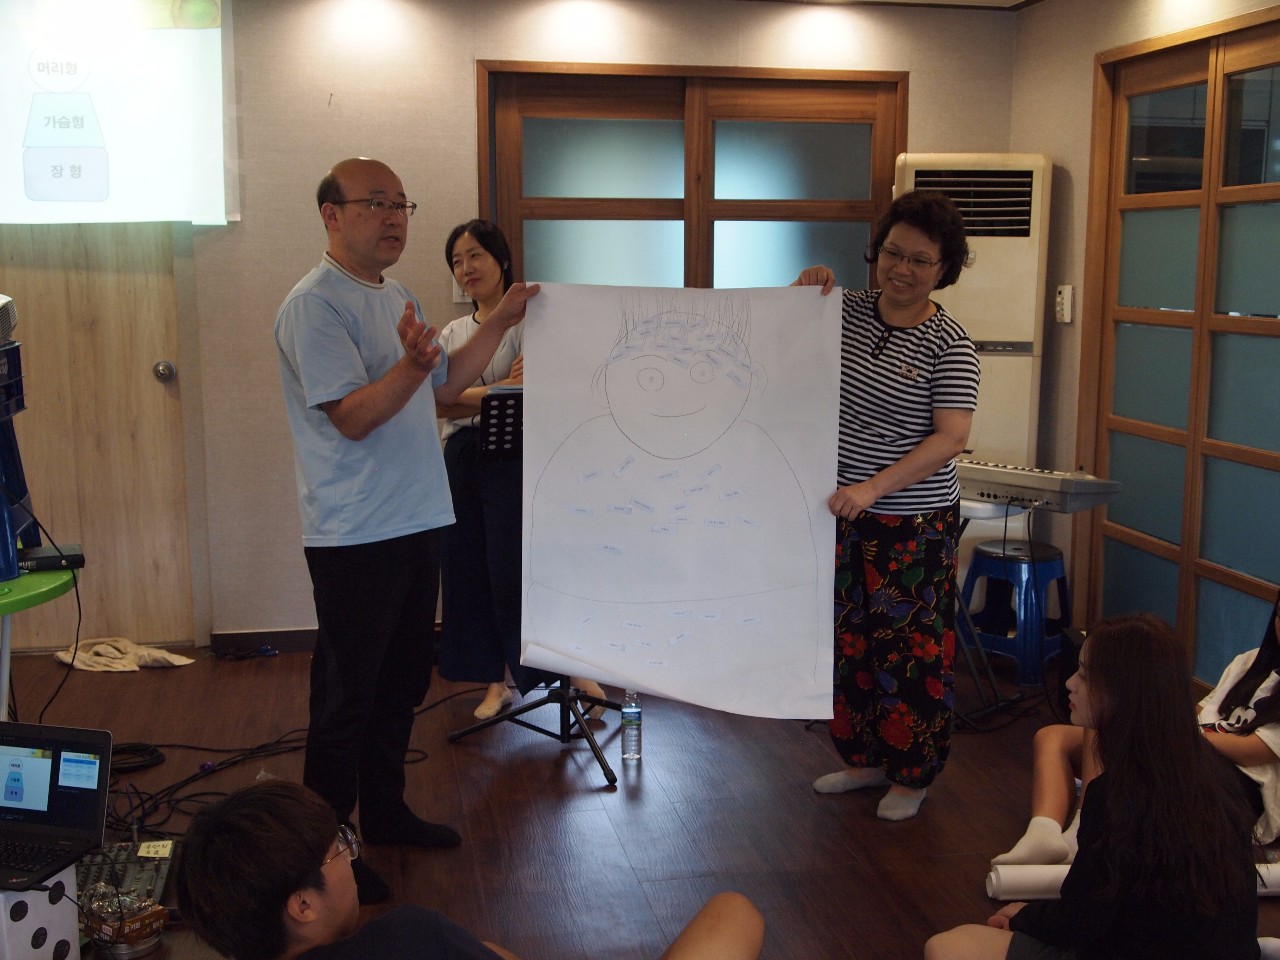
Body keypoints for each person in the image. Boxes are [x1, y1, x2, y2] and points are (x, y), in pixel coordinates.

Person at [274, 158, 538, 903]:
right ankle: (327, 849)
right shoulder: (314, 305)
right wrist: (415, 367)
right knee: (346, 697)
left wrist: (501, 320)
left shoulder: (398, 294)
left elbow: (447, 384)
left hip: (419, 517)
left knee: (400, 684)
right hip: (356, 531)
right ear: (332, 214)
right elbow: (354, 416)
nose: (393, 217)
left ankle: (385, 814)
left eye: (401, 205)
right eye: (376, 203)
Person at [792, 189, 979, 820]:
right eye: (893, 252)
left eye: (920, 260)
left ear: (943, 269)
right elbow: (775, 340)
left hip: (913, 521)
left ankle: (912, 775)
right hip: (839, 513)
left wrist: (874, 487)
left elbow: (951, 437)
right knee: (849, 644)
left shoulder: (950, 342)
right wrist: (802, 288)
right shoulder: (842, 311)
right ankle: (865, 758)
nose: (901, 269)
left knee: (910, 649)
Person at [925, 614, 1261, 960]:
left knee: (948, 946)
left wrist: (1024, 917)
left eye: (1085, 675)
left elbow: (1081, 920)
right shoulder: (1216, 771)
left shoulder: (1117, 795)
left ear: (1123, 691)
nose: (1070, 683)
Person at [175, 779, 767, 960]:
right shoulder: (404, 936)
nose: (352, 859)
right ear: (302, 905)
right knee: (733, 912)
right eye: (340, 849)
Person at [434, 219, 605, 720]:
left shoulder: (533, 324)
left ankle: (571, 672)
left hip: (518, 460)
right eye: (457, 261)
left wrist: (468, 396)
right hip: (462, 460)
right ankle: (495, 682)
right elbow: (439, 403)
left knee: (520, 570)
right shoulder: (452, 333)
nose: (466, 268)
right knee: (469, 570)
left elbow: (535, 390)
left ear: (502, 259)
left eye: (475, 255)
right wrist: (496, 390)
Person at [995, 588, 1280, 866]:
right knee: (1054, 736)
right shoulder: (1250, 661)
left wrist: (1176, 730)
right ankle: (1043, 832)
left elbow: (1252, 751)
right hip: (1191, 743)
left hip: (1234, 779)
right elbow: (1202, 711)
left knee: (1102, 718)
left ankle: (1085, 826)